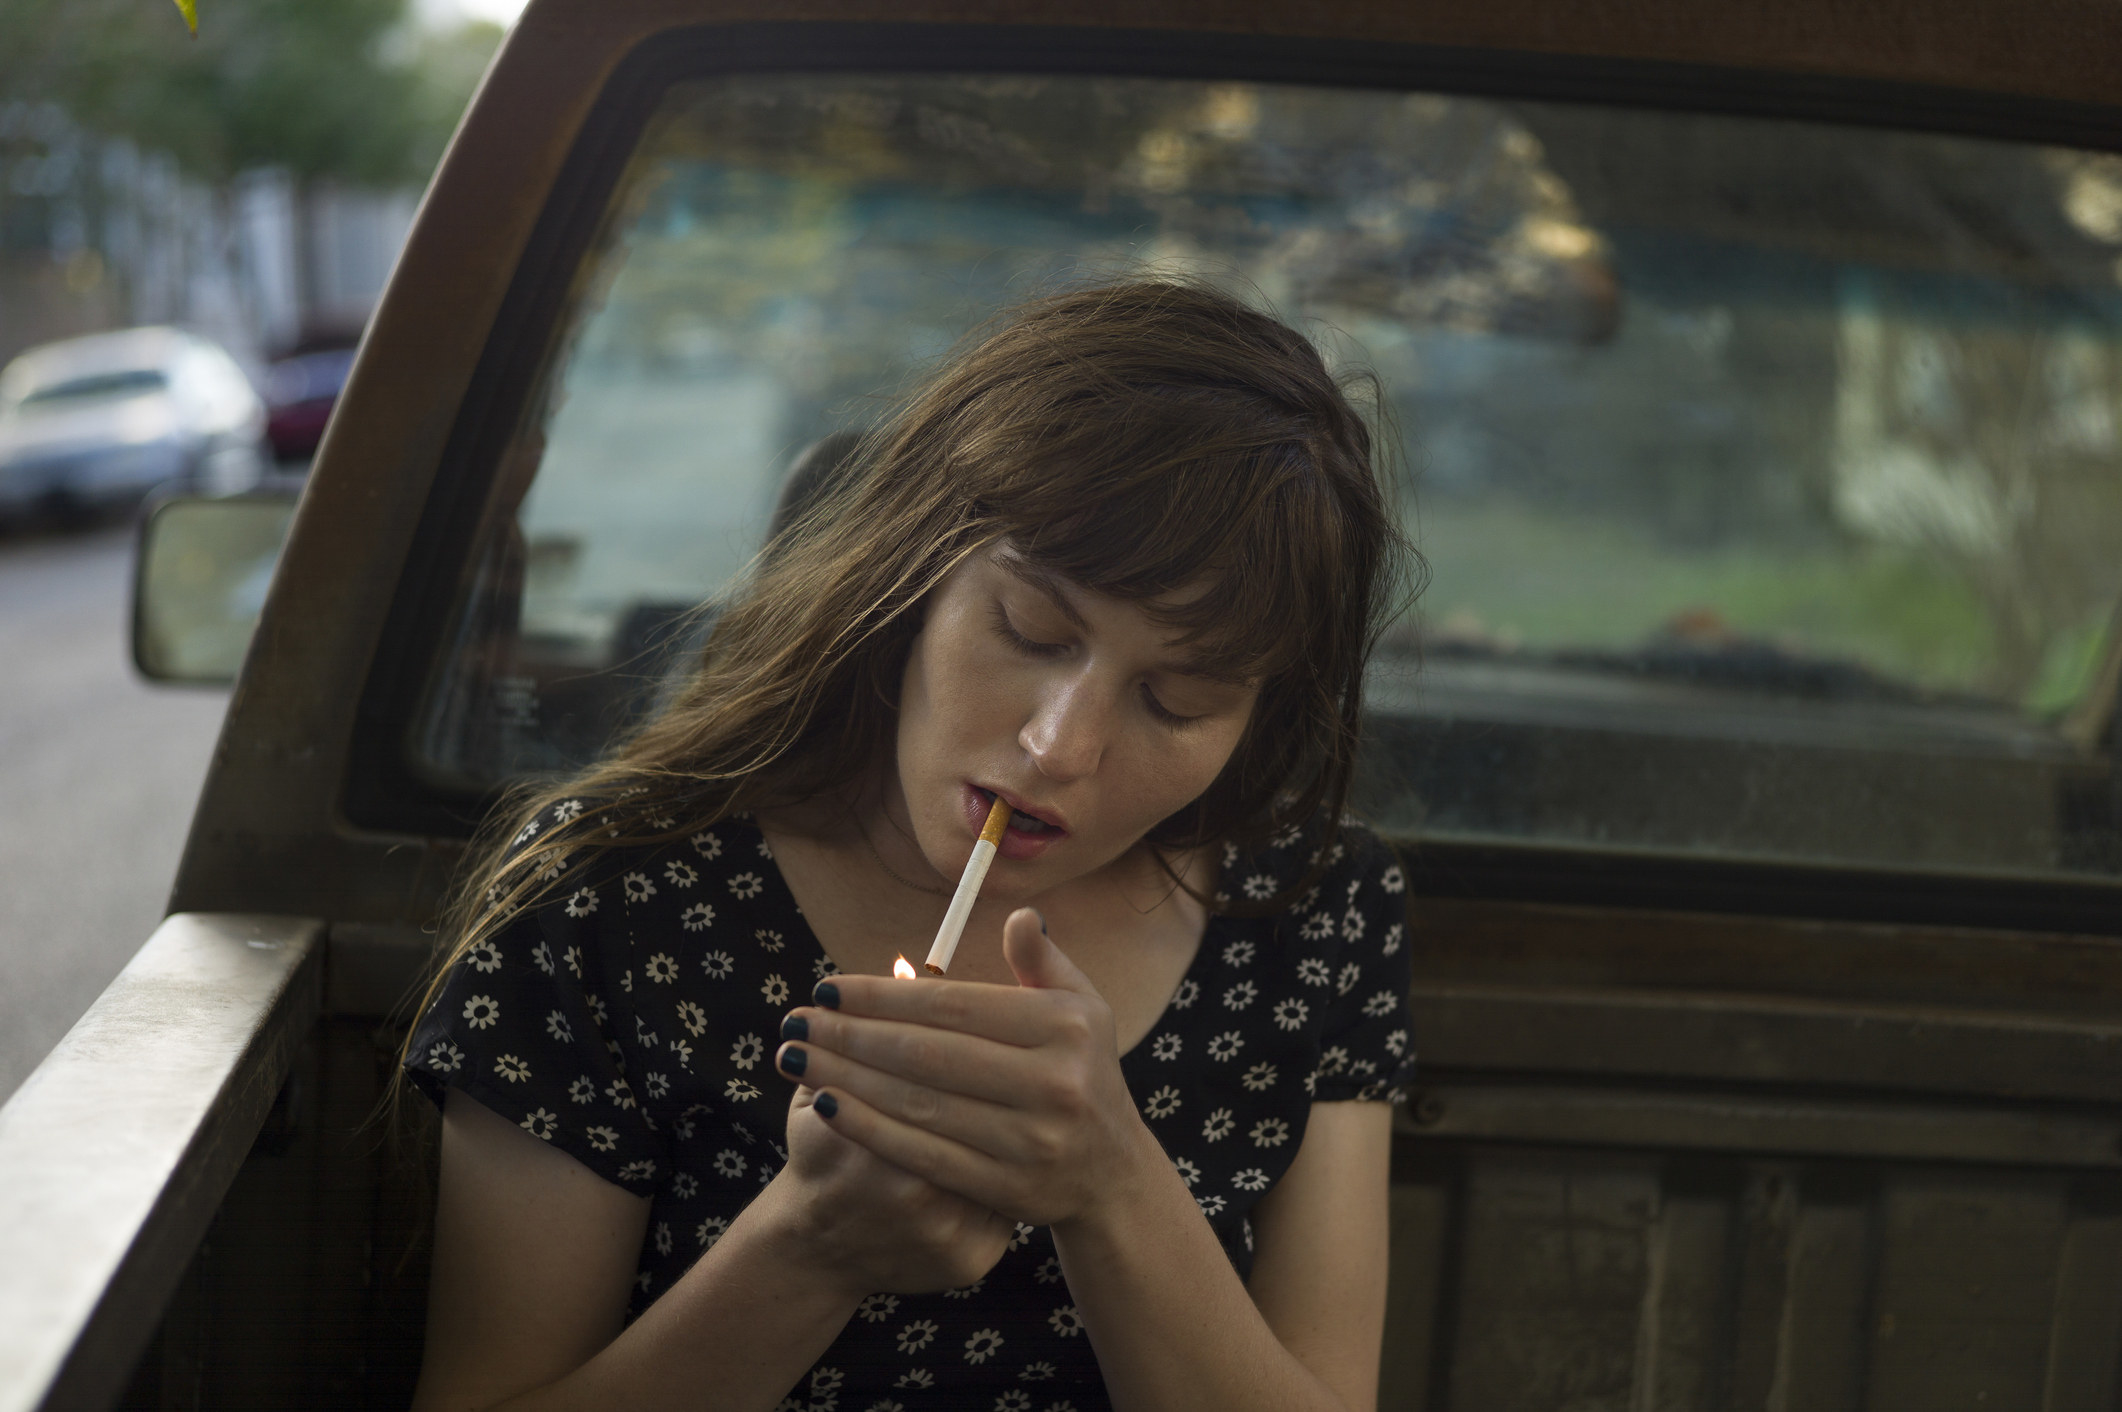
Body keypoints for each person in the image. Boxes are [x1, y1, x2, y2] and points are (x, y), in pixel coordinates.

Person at [401, 280, 1419, 1412]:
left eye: (1176, 702)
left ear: (1260, 716)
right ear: (915, 572)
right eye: (1030, 628)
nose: (1059, 744)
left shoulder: (1307, 906)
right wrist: (814, 1244)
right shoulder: (608, 896)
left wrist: (1112, 1181)